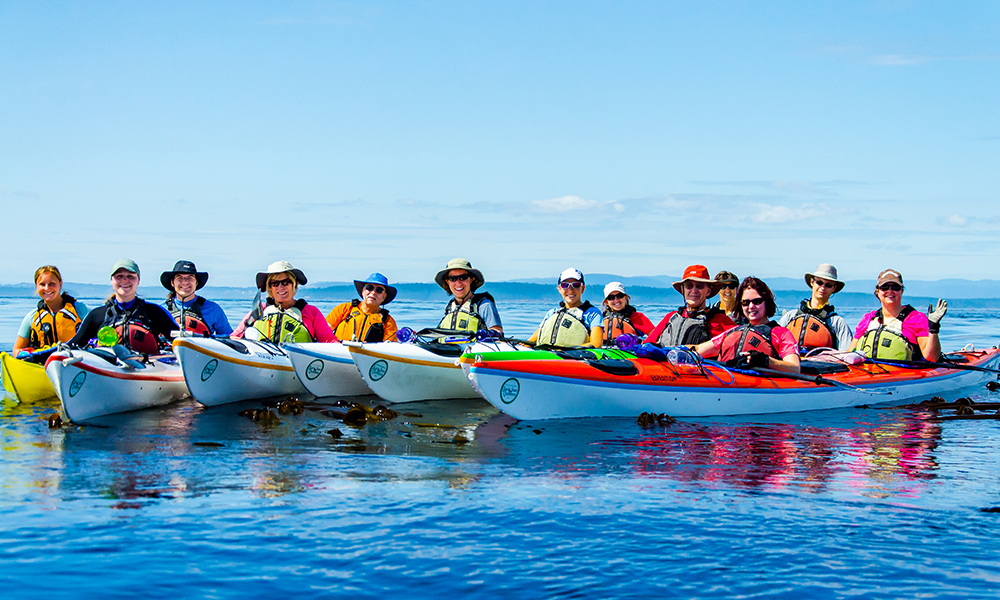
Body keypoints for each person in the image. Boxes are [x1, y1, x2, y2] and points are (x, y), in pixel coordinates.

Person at [67, 259, 178, 354]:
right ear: (111, 281)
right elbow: (73, 345)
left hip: (149, 368)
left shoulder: (154, 312)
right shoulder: (97, 316)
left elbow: (181, 341)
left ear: (138, 281)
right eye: (119, 276)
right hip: (109, 370)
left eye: (130, 276)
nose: (125, 280)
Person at [694, 276, 801, 373]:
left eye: (757, 301)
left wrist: (766, 361)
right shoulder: (734, 331)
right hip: (726, 380)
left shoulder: (780, 333)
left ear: (766, 302)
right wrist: (684, 351)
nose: (751, 307)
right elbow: (698, 350)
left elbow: (795, 368)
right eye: (745, 302)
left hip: (761, 384)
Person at [847, 269, 946, 362]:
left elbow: (931, 357)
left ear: (902, 291)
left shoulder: (917, 319)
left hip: (903, 372)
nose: (890, 291)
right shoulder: (868, 318)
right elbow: (850, 351)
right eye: (885, 287)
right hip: (867, 371)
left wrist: (933, 328)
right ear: (878, 292)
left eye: (895, 287)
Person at [233, 261, 338, 343]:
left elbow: (330, 341)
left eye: (286, 282)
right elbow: (234, 337)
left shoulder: (311, 312)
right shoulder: (260, 310)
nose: (280, 287)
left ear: (294, 285)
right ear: (270, 288)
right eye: (275, 283)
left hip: (296, 361)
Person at [645, 265, 735, 346]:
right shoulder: (670, 318)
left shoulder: (722, 322)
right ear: (683, 290)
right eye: (689, 286)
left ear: (708, 291)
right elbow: (646, 345)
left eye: (699, 286)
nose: (694, 291)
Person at [13, 266, 90, 354]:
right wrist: (27, 355)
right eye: (42, 284)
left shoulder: (80, 310)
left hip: (76, 359)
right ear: (36, 286)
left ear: (60, 284)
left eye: (52, 284)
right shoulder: (32, 317)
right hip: (43, 361)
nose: (47, 288)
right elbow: (16, 350)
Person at [777, 263, 853, 352]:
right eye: (819, 283)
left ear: (834, 288)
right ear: (812, 282)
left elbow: (847, 355)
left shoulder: (837, 323)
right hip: (791, 359)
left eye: (828, 285)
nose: (823, 288)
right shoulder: (791, 316)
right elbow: (774, 341)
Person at [528, 268, 603, 348]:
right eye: (565, 285)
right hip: (546, 352)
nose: (570, 290)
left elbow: (596, 344)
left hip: (575, 354)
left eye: (576, 285)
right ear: (560, 289)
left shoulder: (593, 314)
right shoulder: (552, 313)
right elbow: (531, 341)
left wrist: (565, 350)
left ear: (583, 288)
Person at [161, 260, 233, 336]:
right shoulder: (161, 310)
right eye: (179, 278)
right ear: (172, 282)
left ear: (196, 282)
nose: (185, 282)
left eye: (190, 278)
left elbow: (229, 337)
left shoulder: (213, 309)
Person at [434, 258, 503, 334]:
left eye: (463, 278)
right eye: (452, 278)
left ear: (471, 279)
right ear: (447, 282)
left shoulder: (484, 305)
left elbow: (497, 332)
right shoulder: (450, 308)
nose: (458, 283)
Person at [326, 272, 399, 342]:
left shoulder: (388, 322)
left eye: (379, 290)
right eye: (369, 288)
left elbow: (389, 346)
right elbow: (324, 332)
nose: (373, 292)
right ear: (363, 291)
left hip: (368, 351)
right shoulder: (344, 309)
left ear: (384, 296)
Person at [600, 281, 654, 346]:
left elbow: (655, 336)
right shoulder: (600, 319)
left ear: (626, 298)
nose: (616, 300)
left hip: (630, 350)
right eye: (611, 298)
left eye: (619, 296)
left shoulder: (637, 317)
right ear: (606, 302)